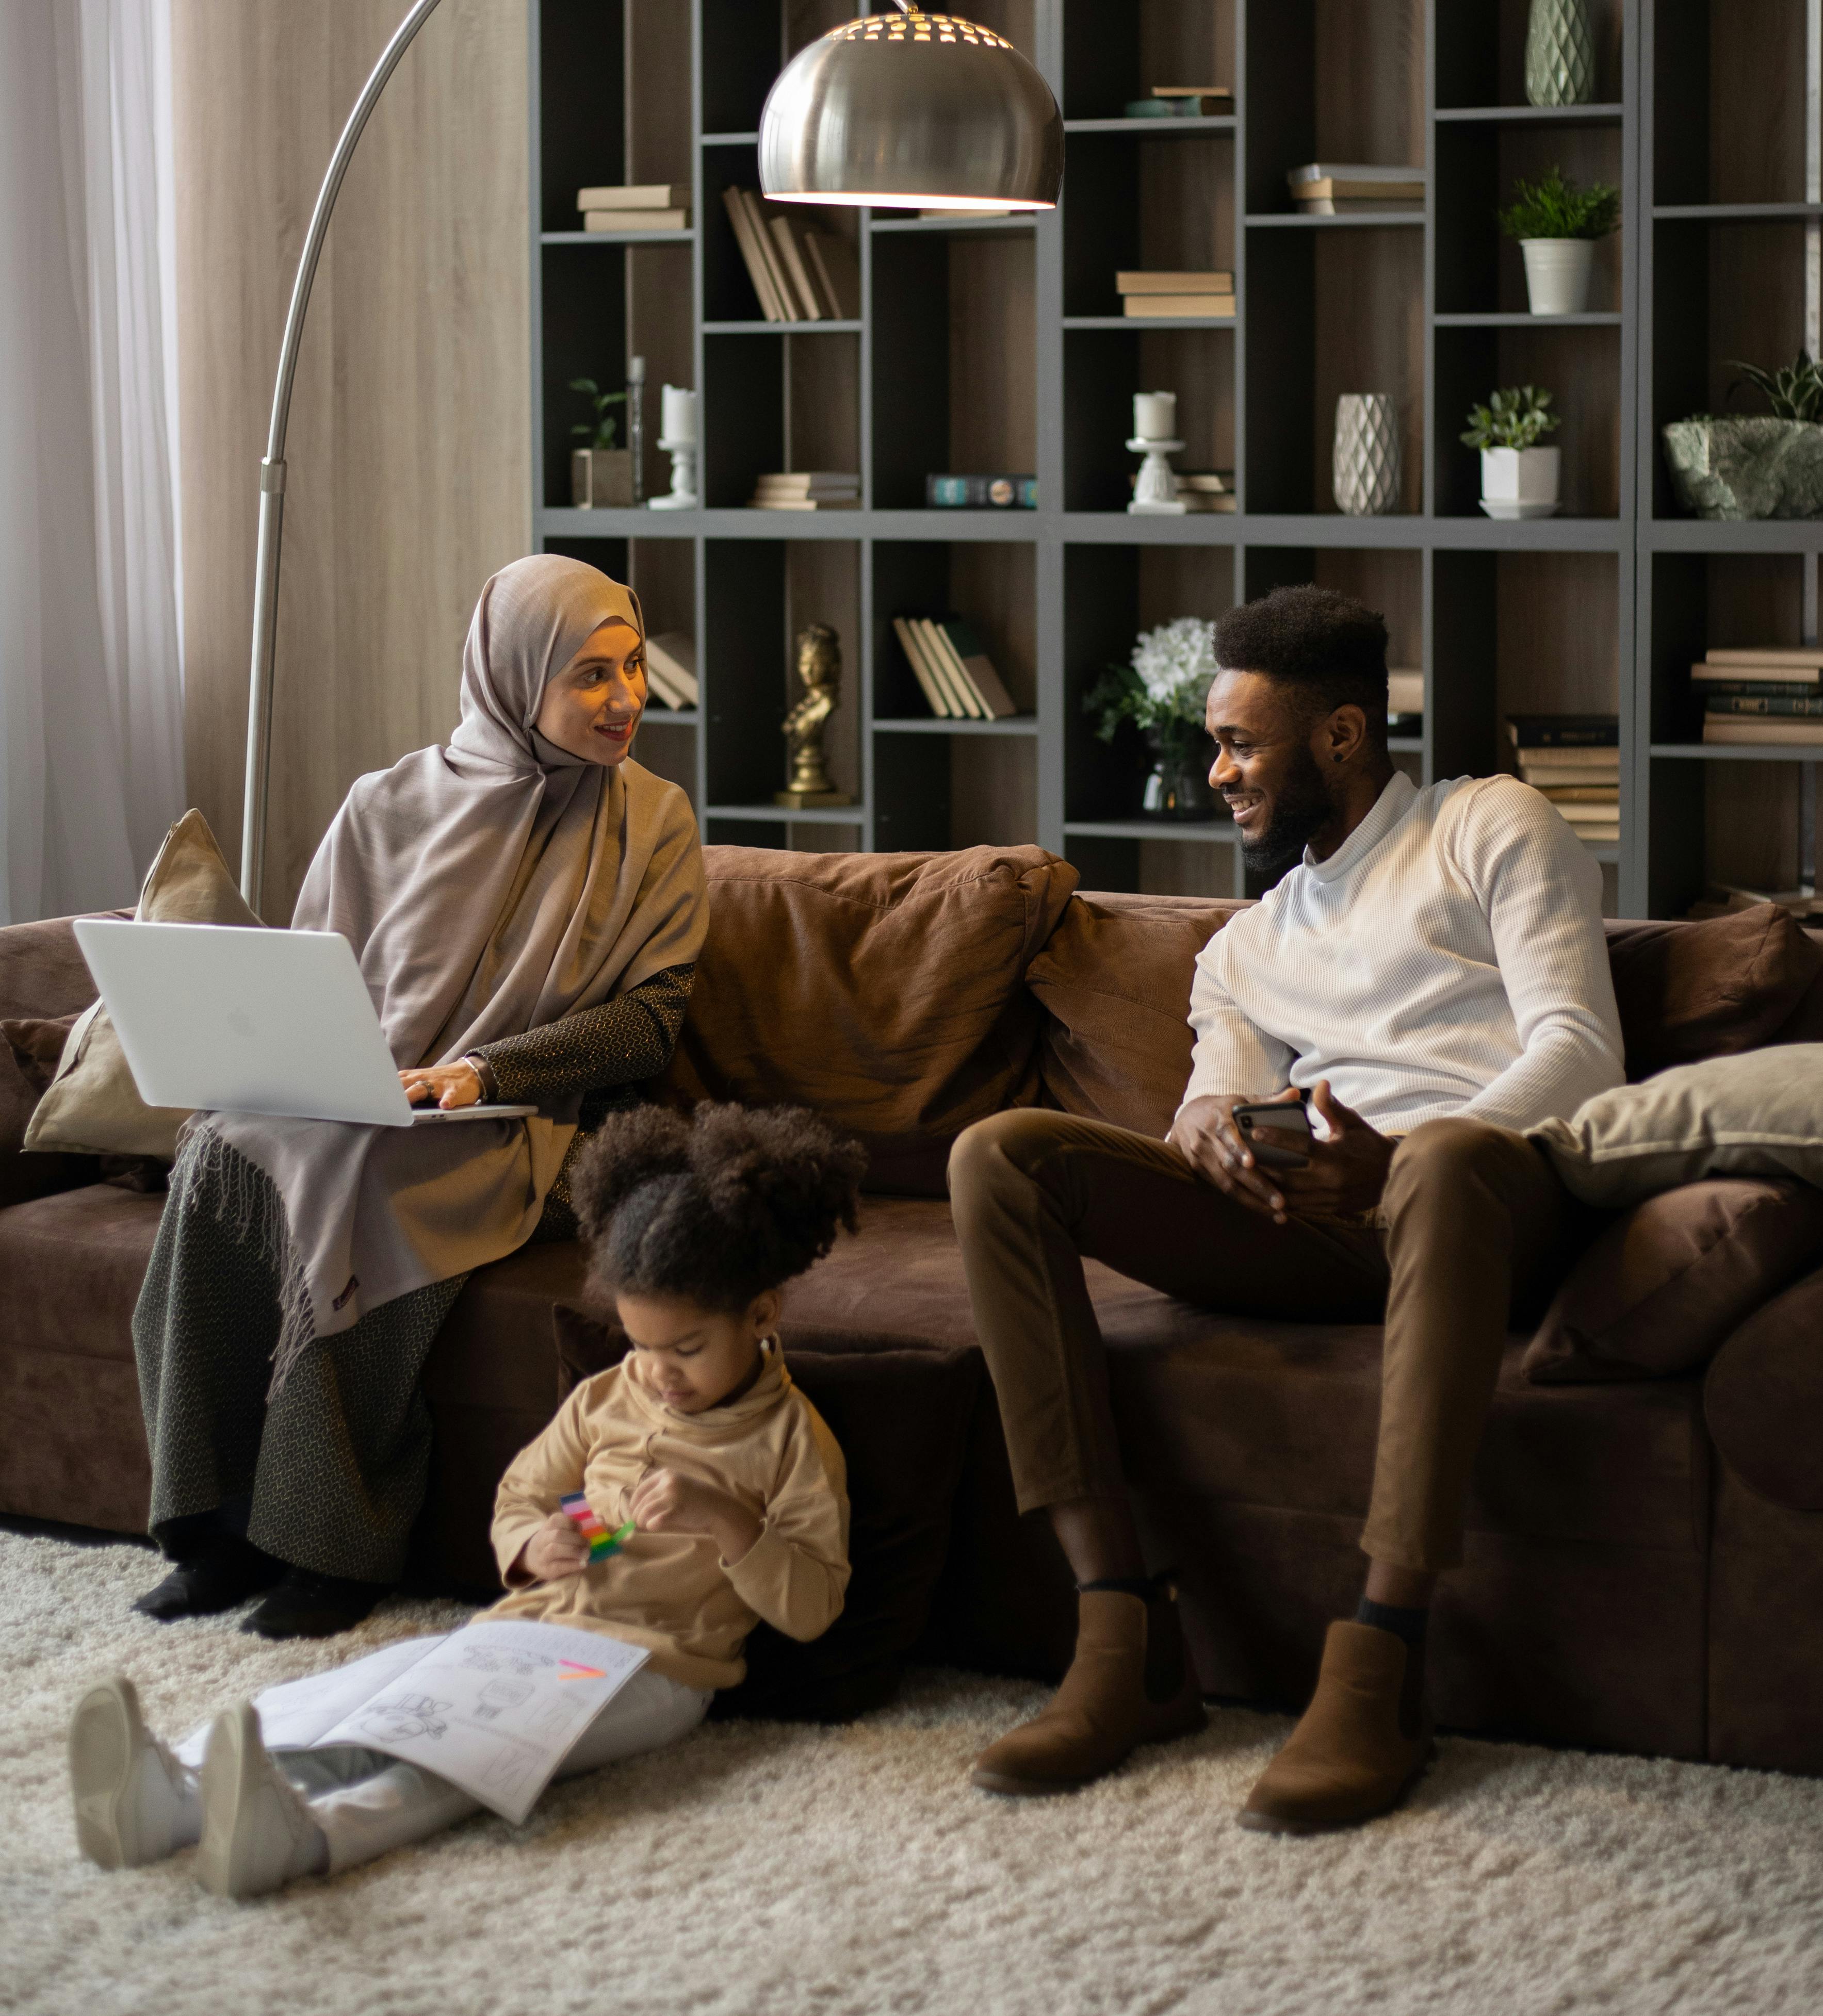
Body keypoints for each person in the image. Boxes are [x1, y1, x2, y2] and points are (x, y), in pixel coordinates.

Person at [949, 584, 1625, 1830]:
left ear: (1344, 735)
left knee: (1440, 1168)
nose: (1216, 771)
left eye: (1240, 743)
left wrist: (1411, 1152)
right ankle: (1125, 1634)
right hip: (1314, 1223)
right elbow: (1217, 1095)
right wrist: (1207, 1124)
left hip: (1480, 1206)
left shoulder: (1491, 825)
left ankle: (1383, 1653)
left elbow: (1583, 1050)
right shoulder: (1243, 944)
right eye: (1216, 744)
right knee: (1002, 1154)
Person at [71, 1101, 862, 1896]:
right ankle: (175, 1795)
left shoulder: (793, 1442)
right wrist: (538, 1540)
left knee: (465, 1744)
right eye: (640, 1344)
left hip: (650, 1671)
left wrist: (727, 1520)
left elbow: (813, 1605)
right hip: (525, 1630)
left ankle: (311, 1839)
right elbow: (526, 1491)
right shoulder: (608, 1396)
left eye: (685, 1349)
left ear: (761, 1313)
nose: (657, 1372)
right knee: (377, 1689)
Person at [130, 554, 708, 1641]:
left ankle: (327, 1547)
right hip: (358, 1082)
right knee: (222, 1148)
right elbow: (311, 972)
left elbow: (648, 1019)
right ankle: (212, 1528)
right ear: (509, 677)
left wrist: (485, 1071)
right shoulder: (383, 801)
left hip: (518, 1120)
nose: (628, 697)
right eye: (590, 674)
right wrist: (301, 1066)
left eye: (633, 666)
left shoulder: (655, 822)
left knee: (370, 1170)